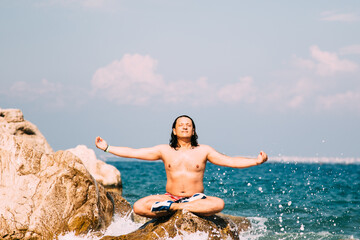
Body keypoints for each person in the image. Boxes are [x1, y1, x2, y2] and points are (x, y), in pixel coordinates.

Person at [95, 115, 268, 218]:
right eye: (181, 125)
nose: (185, 127)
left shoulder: (204, 150)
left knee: (219, 203)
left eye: (188, 125)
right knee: (138, 206)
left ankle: (174, 209)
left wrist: (256, 161)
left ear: (193, 131)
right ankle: (176, 207)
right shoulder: (164, 150)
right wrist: (108, 148)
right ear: (174, 131)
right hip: (169, 197)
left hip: (196, 198)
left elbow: (231, 161)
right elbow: (134, 152)